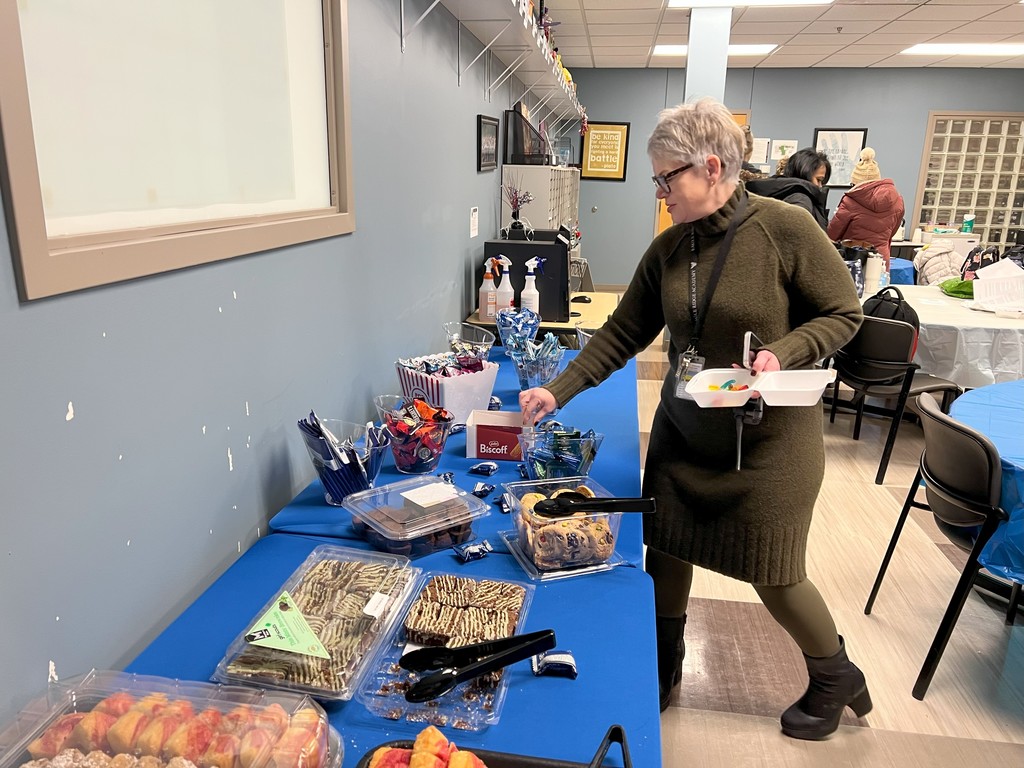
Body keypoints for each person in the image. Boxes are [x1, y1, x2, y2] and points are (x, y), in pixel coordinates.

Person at [518, 97, 867, 739]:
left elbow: (845, 313)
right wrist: (557, 390)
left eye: (665, 178)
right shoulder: (670, 247)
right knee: (669, 550)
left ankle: (834, 674)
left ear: (710, 167)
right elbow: (622, 331)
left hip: (768, 447)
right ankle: (664, 667)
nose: (659, 192)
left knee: (776, 574)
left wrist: (782, 352)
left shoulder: (783, 229)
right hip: (686, 434)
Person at [827, 148, 906, 264]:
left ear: (856, 183)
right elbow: (892, 232)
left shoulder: (850, 200)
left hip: (851, 257)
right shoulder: (897, 200)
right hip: (880, 258)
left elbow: (832, 234)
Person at [746, 147, 830, 229]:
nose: (820, 186)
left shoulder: (782, 191)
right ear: (804, 174)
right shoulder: (801, 199)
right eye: (818, 180)